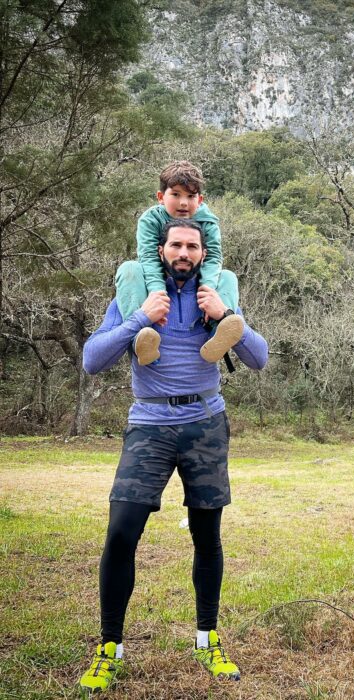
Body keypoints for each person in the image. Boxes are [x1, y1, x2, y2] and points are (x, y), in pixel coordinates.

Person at [78, 219, 268, 696]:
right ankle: (109, 648)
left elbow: (260, 358)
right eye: (176, 245)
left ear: (203, 253)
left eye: (192, 246)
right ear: (161, 250)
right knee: (121, 532)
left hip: (206, 421)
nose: (183, 252)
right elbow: (91, 359)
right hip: (150, 423)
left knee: (208, 534)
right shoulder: (136, 298)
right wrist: (140, 318)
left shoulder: (213, 293)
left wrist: (226, 314)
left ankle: (208, 639)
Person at [116, 161, 243, 366]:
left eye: (190, 196)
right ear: (161, 197)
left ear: (199, 200)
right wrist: (158, 294)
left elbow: (213, 258)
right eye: (175, 194)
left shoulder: (209, 221)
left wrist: (207, 290)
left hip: (195, 280)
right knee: (129, 269)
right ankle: (140, 338)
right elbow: (148, 257)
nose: (183, 203)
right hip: (161, 280)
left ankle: (219, 332)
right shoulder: (150, 220)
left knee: (228, 276)